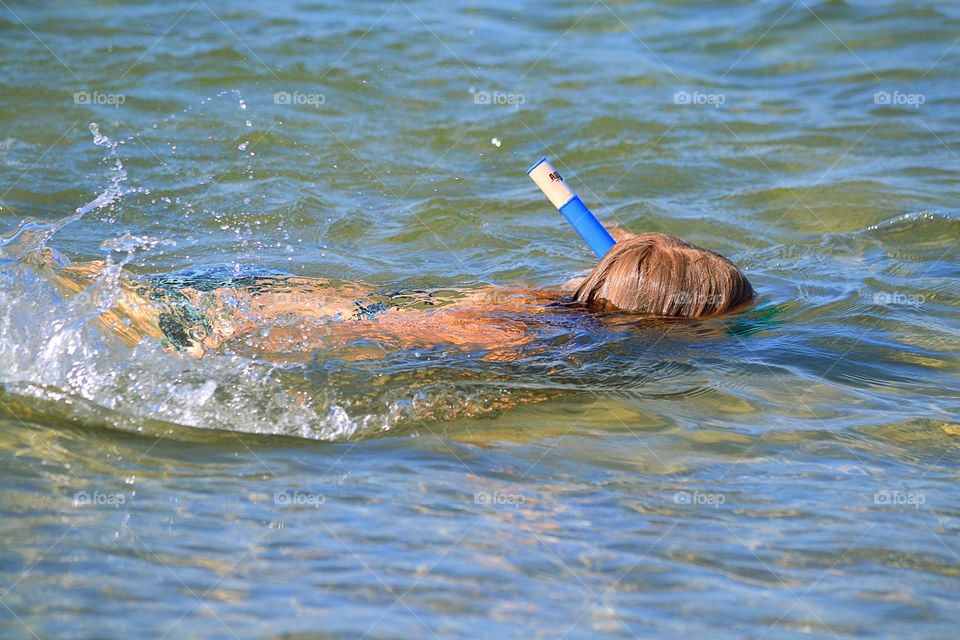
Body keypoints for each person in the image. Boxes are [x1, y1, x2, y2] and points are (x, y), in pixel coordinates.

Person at [42, 230, 754, 359]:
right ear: (665, 323)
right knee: (371, 327)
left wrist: (640, 258)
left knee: (355, 304)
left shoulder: (565, 301)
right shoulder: (546, 345)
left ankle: (107, 287)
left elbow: (640, 270)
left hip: (498, 308)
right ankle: (188, 323)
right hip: (484, 335)